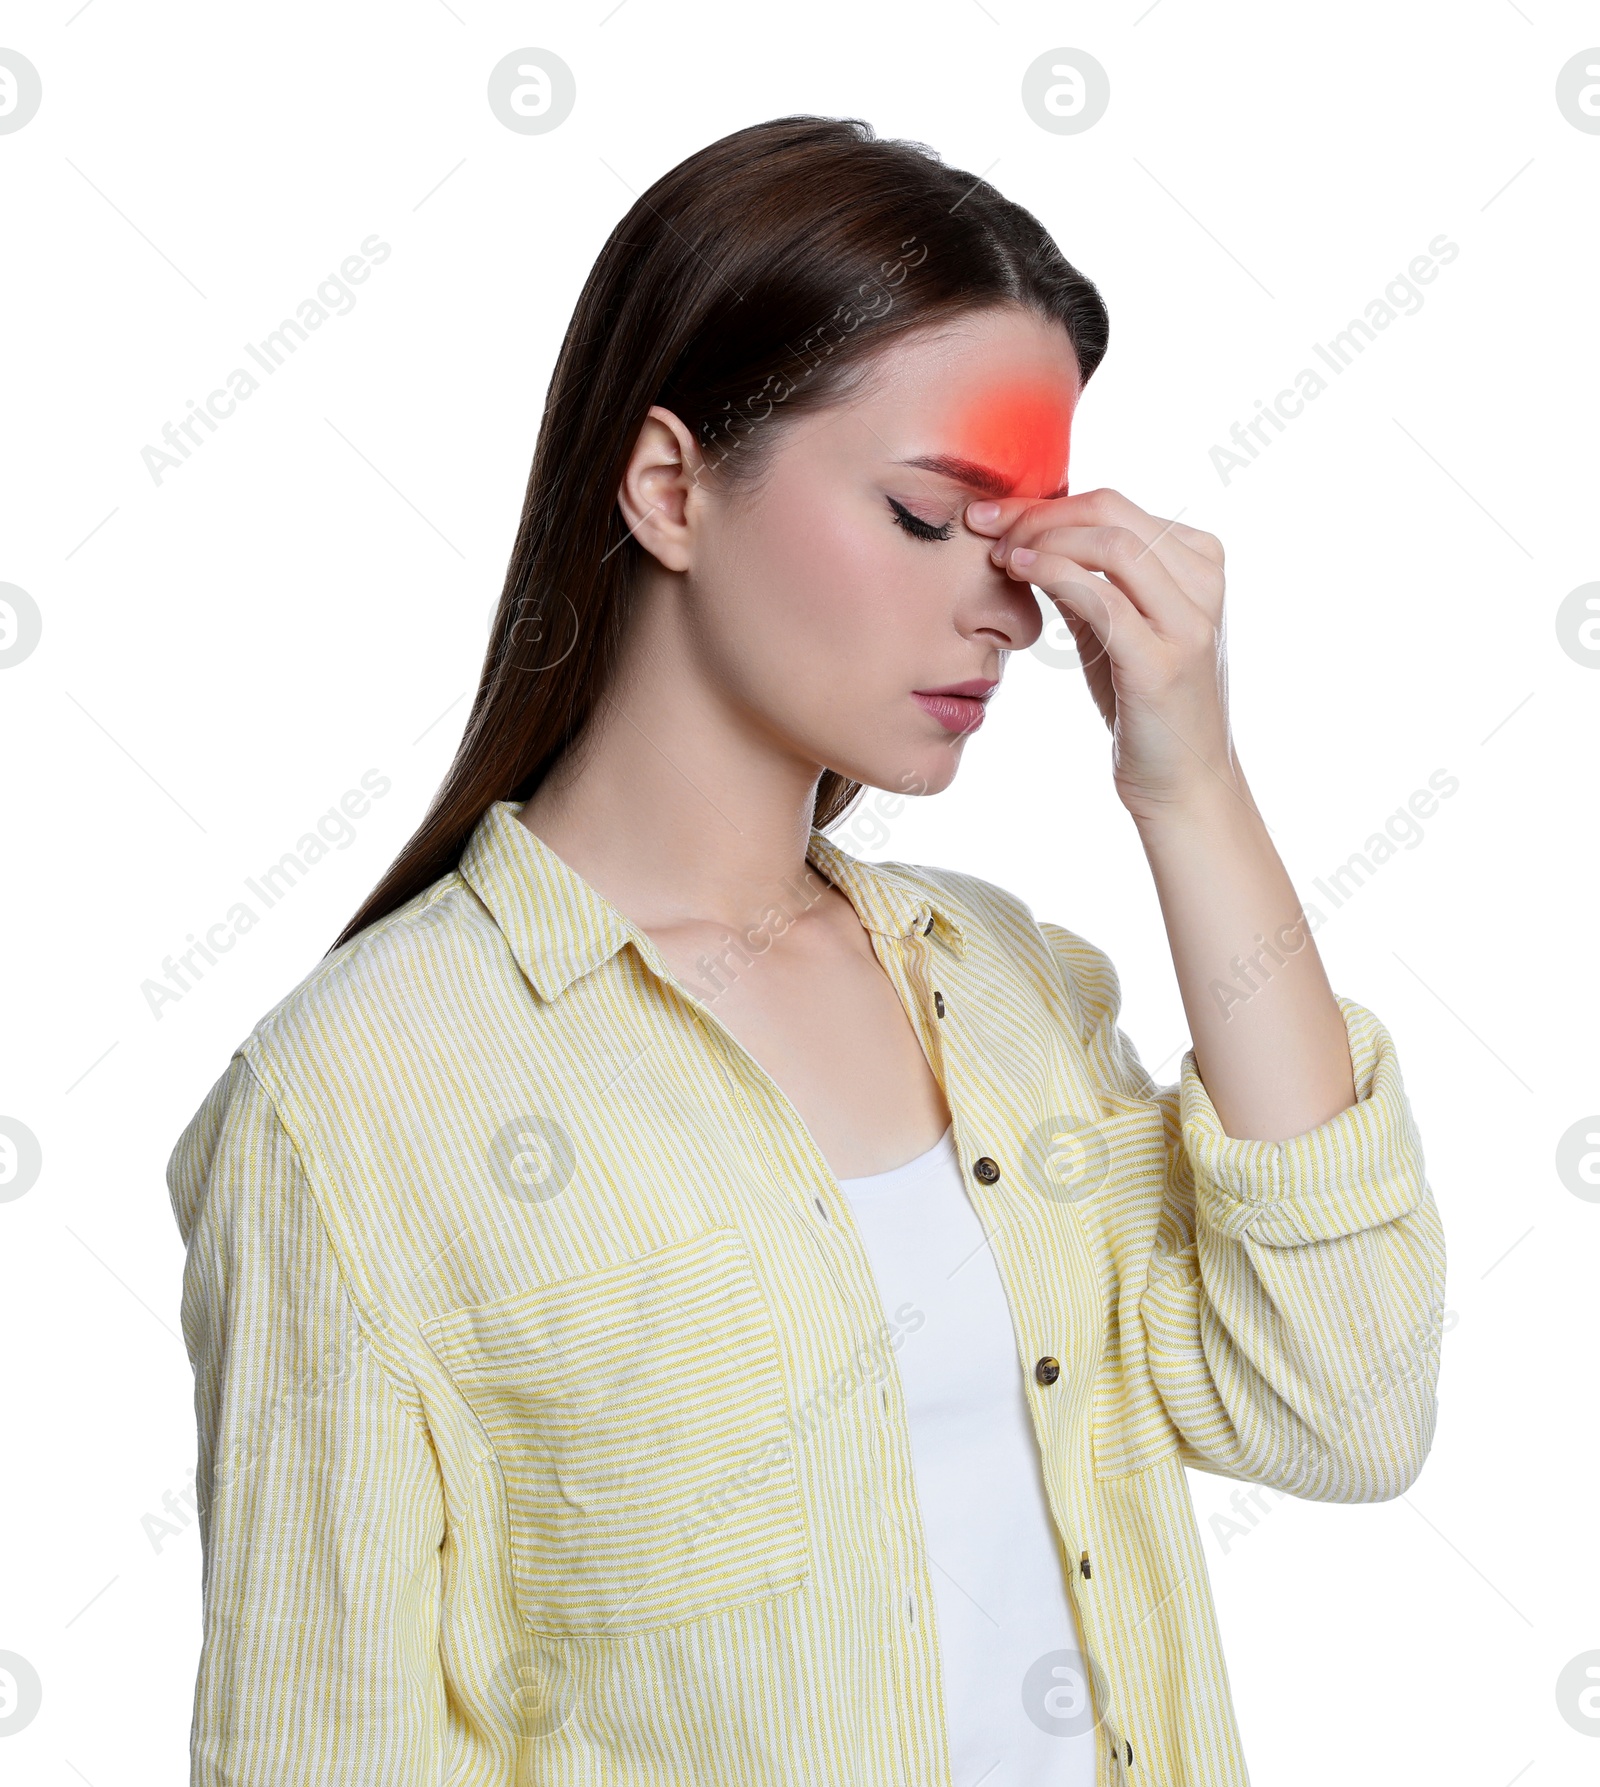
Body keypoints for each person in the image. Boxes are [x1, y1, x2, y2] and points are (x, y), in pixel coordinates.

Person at [166, 115, 1446, 1786]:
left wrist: (1191, 787)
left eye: (1031, 536)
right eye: (932, 515)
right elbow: (319, 1746)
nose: (1008, 606)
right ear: (670, 486)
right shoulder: (355, 1103)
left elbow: (1343, 1411)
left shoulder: (1010, 991)